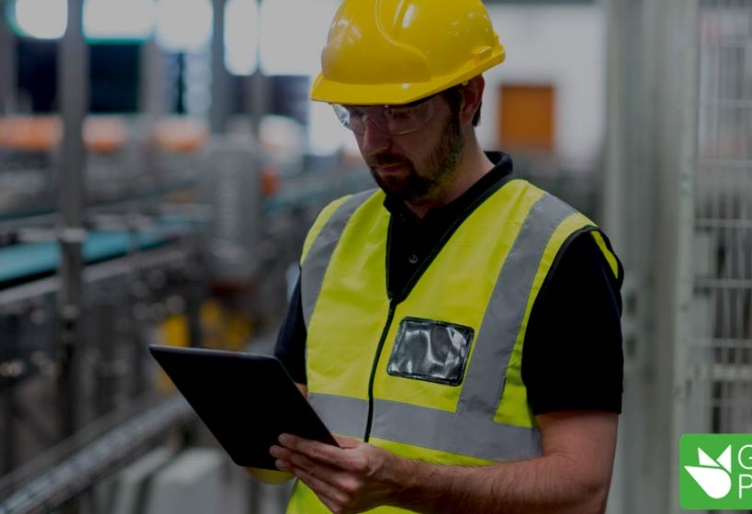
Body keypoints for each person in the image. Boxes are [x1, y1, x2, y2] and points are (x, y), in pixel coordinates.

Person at [253, 1, 625, 512]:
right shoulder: (334, 234)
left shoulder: (558, 252)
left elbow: (582, 490)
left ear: (469, 98)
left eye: (399, 113)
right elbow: (289, 415)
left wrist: (405, 483)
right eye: (355, 114)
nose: (373, 141)